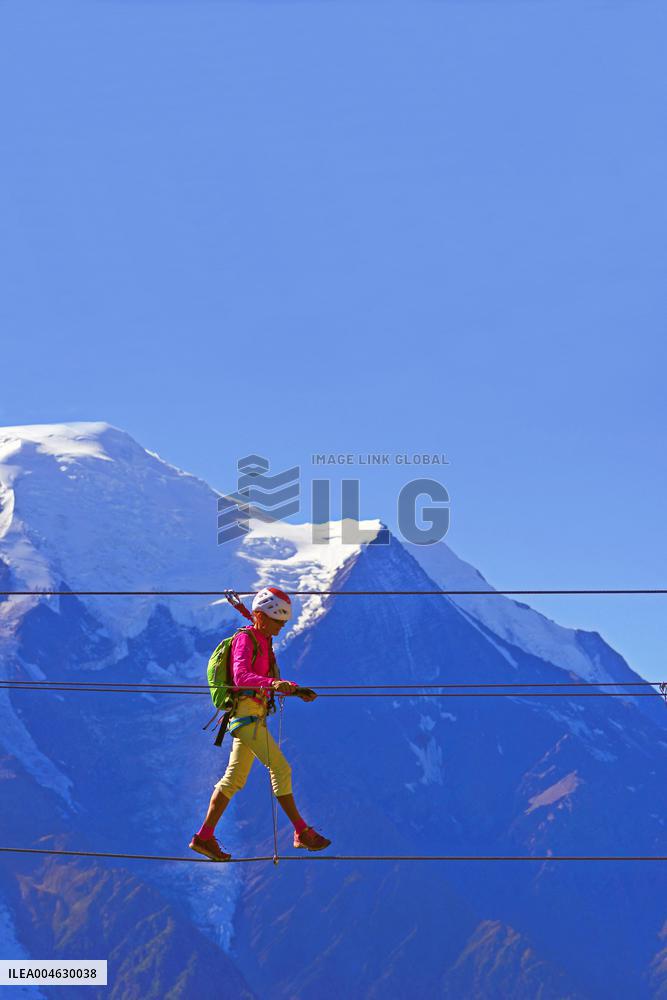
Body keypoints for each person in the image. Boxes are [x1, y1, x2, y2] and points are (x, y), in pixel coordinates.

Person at [189, 586, 331, 861]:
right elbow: (241, 676)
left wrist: (296, 690)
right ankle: (301, 831)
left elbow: (255, 626)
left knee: (233, 779)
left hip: (253, 717)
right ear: (264, 617)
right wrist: (275, 683)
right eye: (278, 621)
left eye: (283, 622)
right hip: (247, 716)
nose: (281, 627)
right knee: (281, 768)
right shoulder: (248, 639)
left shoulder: (261, 637)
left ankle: (204, 837)